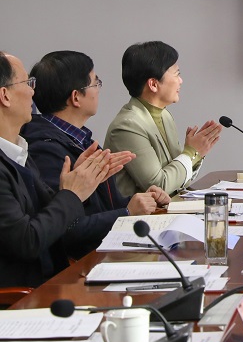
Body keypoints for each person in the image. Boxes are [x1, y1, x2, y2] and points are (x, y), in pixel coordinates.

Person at [0, 51, 129, 287]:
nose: (32, 92)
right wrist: (71, 193)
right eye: (27, 83)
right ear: (5, 95)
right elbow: (28, 241)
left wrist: (79, 183)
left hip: (60, 279)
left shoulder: (20, 151)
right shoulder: (36, 149)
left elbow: (51, 215)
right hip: (31, 295)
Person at [24, 51, 170, 237]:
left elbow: (104, 206)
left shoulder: (80, 140)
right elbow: (66, 227)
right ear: (76, 97)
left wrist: (141, 201)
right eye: (95, 83)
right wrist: (126, 213)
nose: (99, 89)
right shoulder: (46, 150)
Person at [106, 41, 221, 196]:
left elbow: (178, 182)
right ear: (153, 84)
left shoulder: (165, 116)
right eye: (177, 74)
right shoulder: (127, 126)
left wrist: (195, 152)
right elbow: (159, 185)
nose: (181, 81)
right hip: (144, 212)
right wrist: (192, 152)